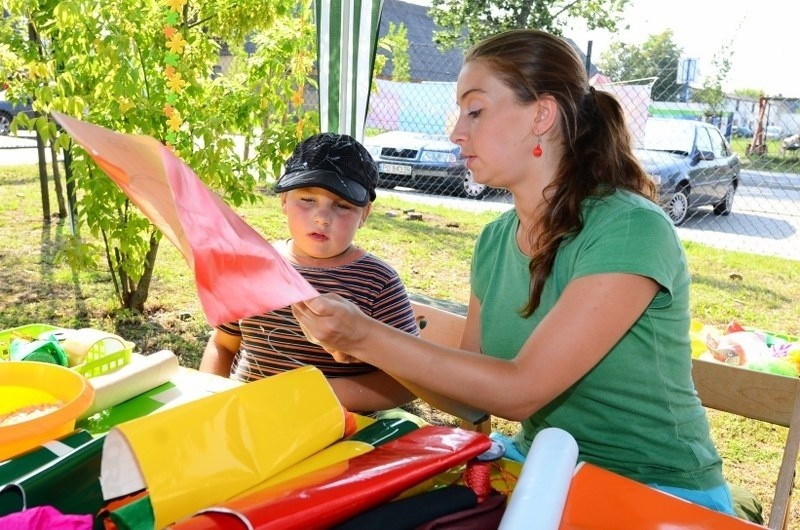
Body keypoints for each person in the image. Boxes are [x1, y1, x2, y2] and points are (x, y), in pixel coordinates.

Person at [291, 29, 737, 516]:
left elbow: (521, 391)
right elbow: (471, 402)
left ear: (542, 115)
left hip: (655, 492)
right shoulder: (495, 240)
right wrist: (362, 339)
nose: (456, 132)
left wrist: (367, 336)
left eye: (475, 110)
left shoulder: (630, 229)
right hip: (543, 474)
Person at [199, 132, 419, 415]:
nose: (322, 217)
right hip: (249, 422)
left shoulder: (378, 282)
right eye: (306, 199)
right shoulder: (253, 265)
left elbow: (405, 381)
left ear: (364, 214)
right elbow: (223, 344)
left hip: (337, 436)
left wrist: (313, 396)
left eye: (342, 205)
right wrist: (209, 400)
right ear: (283, 201)